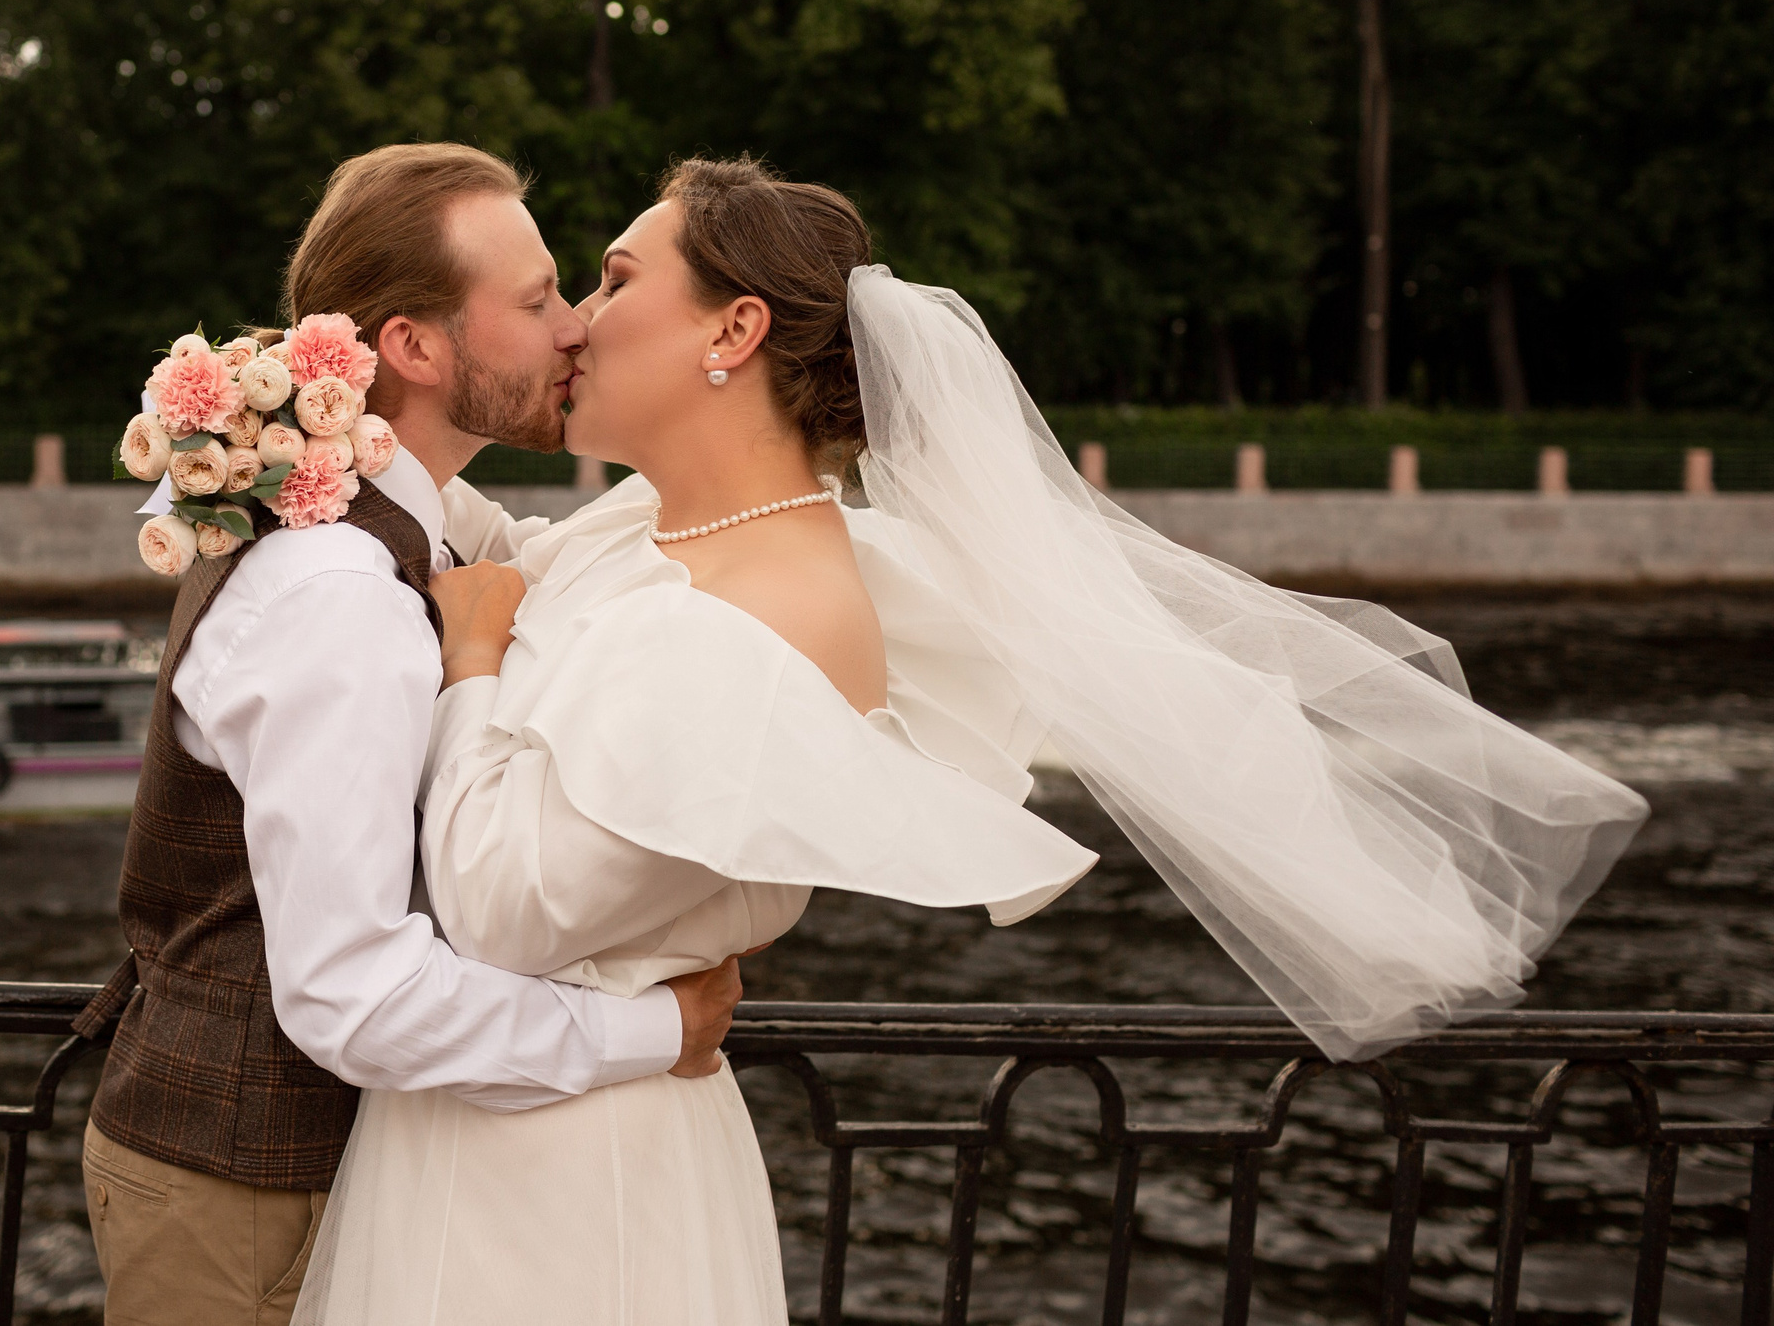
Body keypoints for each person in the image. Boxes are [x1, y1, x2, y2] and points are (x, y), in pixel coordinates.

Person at [290, 157, 1649, 1324]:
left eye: (614, 276)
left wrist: (471, 666)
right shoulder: (652, 531)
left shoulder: (772, 607)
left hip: (563, 1180)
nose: (578, 322)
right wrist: (281, 416)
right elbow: (492, 552)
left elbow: (496, 903)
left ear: (734, 328)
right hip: (478, 1118)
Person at [71, 143, 746, 1325]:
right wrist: (651, 1029)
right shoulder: (339, 591)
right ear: (416, 348)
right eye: (536, 302)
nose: (574, 329)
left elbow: (560, 558)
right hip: (249, 1202)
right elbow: (351, 996)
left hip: (282, 1177)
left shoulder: (381, 519)